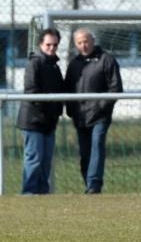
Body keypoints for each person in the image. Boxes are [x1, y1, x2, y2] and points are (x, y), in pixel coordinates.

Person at [64, 28, 123, 194]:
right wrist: (71, 111)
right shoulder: (74, 64)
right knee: (84, 153)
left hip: (100, 116)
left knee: (97, 145)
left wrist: (101, 107)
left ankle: (94, 185)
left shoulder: (106, 60)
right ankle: (88, 183)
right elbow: (68, 88)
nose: (84, 45)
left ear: (93, 41)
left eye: (86, 41)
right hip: (80, 117)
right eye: (80, 42)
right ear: (76, 44)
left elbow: (116, 88)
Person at [16, 28, 64, 195]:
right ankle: (29, 192)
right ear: (41, 45)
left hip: (49, 121)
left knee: (46, 161)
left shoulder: (54, 66)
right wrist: (47, 110)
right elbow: (31, 91)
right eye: (48, 44)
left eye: (55, 45)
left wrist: (56, 113)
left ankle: (43, 194)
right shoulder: (34, 63)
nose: (51, 48)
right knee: (34, 159)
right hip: (33, 121)